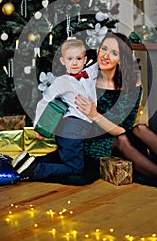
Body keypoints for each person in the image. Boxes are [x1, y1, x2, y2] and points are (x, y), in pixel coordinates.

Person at [75, 32, 157, 197]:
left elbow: (127, 125)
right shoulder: (86, 80)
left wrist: (95, 115)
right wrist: (95, 117)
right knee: (122, 139)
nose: (105, 56)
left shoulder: (132, 83)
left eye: (114, 53)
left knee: (141, 129)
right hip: (94, 140)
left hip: (119, 131)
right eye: (104, 49)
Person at [13, 38, 98, 181]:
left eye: (79, 58)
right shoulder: (61, 82)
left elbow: (99, 64)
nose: (75, 62)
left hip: (81, 128)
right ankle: (36, 169)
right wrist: (38, 126)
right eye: (70, 59)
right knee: (76, 169)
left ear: (85, 60)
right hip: (71, 128)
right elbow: (44, 101)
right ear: (62, 61)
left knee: (65, 158)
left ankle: (31, 161)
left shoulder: (88, 75)